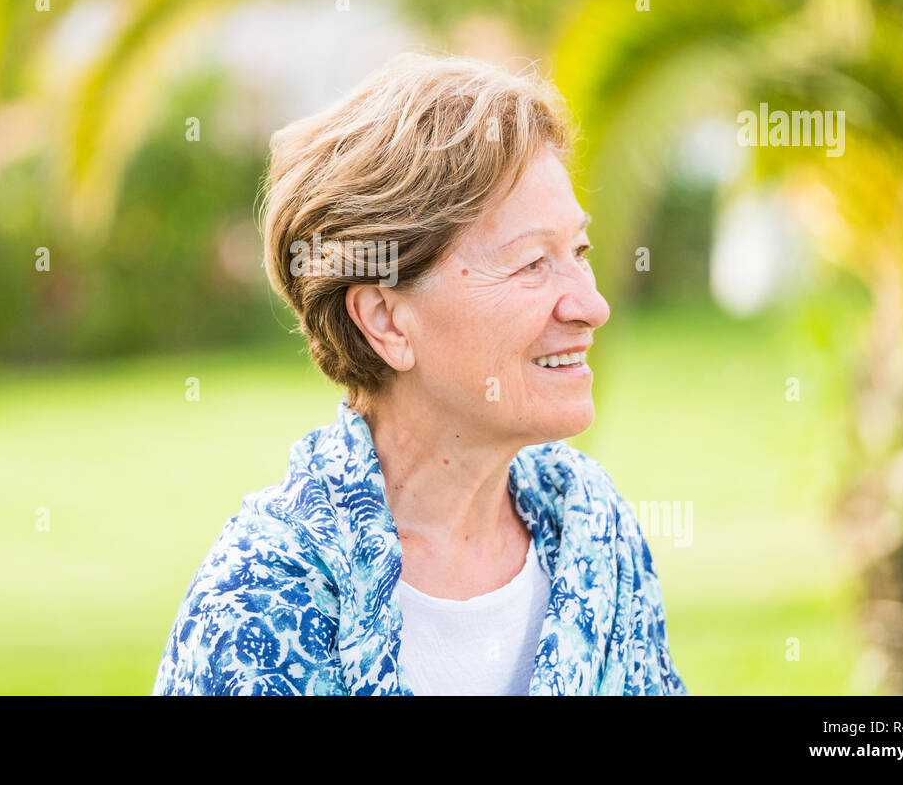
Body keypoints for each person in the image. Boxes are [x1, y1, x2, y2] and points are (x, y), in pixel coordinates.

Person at [153, 53, 687, 695]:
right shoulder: (256, 606)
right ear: (386, 319)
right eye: (529, 264)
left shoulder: (592, 533)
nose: (590, 306)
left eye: (578, 251)